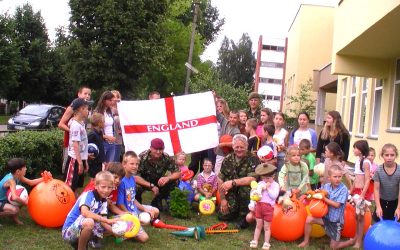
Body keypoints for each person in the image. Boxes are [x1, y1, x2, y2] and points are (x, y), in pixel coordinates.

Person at [298, 165, 355, 249]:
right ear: (329, 177)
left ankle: (351, 241)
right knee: (309, 219)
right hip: (325, 217)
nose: (337, 179)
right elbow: (321, 193)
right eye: (335, 177)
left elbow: (337, 205)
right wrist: (317, 192)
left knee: (333, 247)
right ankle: (306, 241)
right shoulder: (327, 186)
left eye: (340, 177)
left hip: (336, 222)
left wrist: (323, 198)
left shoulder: (343, 189)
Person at [62, 171, 119, 249]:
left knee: (110, 226)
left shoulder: (104, 201)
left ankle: (86, 241)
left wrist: (117, 231)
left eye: (109, 187)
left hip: (83, 226)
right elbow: (84, 212)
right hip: (68, 232)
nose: (106, 190)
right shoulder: (88, 195)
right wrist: (107, 221)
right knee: (90, 222)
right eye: (103, 187)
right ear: (96, 185)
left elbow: (103, 222)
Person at [217, 134, 261, 229]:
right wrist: (223, 199)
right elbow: (220, 178)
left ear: (246, 147)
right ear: (233, 147)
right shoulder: (228, 158)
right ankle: (234, 211)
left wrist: (232, 182)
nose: (239, 149)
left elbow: (252, 179)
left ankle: (244, 216)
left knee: (245, 189)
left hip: (247, 192)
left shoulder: (253, 159)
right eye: (236, 147)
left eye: (242, 147)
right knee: (222, 216)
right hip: (231, 192)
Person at [117, 151, 159, 243]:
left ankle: (134, 226)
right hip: (126, 212)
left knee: (155, 211)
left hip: (133, 209)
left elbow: (132, 199)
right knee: (144, 238)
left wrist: (144, 209)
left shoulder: (132, 178)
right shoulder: (121, 181)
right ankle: (125, 232)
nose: (135, 166)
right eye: (132, 164)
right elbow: (119, 203)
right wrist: (129, 214)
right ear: (124, 164)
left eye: (137, 164)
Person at [0, 158, 50, 225]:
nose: (26, 169)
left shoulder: (17, 175)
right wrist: (26, 203)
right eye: (24, 167)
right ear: (18, 171)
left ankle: (14, 217)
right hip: (0, 201)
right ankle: (12, 214)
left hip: (5, 199)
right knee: (15, 209)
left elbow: (31, 182)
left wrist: (44, 178)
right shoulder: (11, 180)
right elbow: (14, 197)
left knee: (22, 199)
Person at [136, 138, 181, 211]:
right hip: (144, 183)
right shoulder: (142, 157)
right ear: (150, 148)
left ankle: (158, 200)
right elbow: (135, 177)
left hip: (159, 182)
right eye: (156, 149)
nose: (158, 152)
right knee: (135, 185)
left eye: (161, 149)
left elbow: (178, 173)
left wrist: (167, 178)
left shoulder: (166, 157)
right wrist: (151, 186)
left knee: (175, 181)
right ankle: (137, 203)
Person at [58, 86, 92, 172]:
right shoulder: (73, 107)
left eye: (89, 94)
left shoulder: (85, 108)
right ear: (79, 94)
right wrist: (73, 132)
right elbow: (60, 124)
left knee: (77, 169)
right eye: (85, 93)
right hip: (71, 142)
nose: (87, 96)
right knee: (68, 166)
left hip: (79, 143)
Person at [249, 164, 279, 250]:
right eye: (264, 178)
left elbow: (274, 196)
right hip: (259, 206)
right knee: (258, 225)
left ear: (273, 176)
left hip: (268, 208)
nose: (266, 180)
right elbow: (253, 194)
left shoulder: (275, 185)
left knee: (266, 227)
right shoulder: (259, 184)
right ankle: (255, 240)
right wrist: (252, 204)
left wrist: (268, 188)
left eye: (268, 178)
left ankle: (266, 242)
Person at [64, 98, 89, 195]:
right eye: (87, 109)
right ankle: (65, 205)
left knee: (77, 184)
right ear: (81, 109)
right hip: (74, 159)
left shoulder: (81, 123)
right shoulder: (75, 125)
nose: (88, 111)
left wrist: (85, 160)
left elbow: (84, 144)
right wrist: (80, 162)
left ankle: (74, 202)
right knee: (69, 185)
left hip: (80, 158)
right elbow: (75, 145)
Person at [349, 140, 371, 248]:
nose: (354, 150)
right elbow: (356, 178)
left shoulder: (366, 162)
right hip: (356, 192)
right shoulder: (358, 161)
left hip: (362, 192)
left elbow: (367, 180)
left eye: (355, 148)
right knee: (356, 216)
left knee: (361, 217)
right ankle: (356, 236)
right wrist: (351, 190)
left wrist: (362, 194)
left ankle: (359, 241)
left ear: (361, 150)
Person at [373, 143, 400, 221]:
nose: (389, 157)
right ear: (382, 155)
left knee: (394, 226)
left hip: (396, 202)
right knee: (379, 224)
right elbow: (376, 189)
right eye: (386, 155)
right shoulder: (378, 170)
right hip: (382, 202)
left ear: (396, 155)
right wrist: (378, 206)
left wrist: (398, 208)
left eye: (392, 155)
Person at [214, 110, 240, 175]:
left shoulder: (237, 131)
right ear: (228, 117)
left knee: (227, 174)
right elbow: (216, 113)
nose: (232, 119)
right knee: (217, 172)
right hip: (220, 153)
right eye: (231, 117)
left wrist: (224, 144)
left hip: (230, 156)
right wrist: (214, 100)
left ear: (238, 119)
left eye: (234, 118)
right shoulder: (224, 122)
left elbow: (236, 144)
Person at [94, 91, 117, 164]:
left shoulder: (110, 111)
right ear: (104, 100)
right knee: (102, 165)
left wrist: (119, 101)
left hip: (111, 142)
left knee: (109, 165)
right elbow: (94, 131)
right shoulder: (97, 112)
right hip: (103, 142)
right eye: (110, 100)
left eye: (112, 100)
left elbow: (122, 111)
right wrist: (107, 137)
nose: (112, 102)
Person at [87, 113, 106, 181]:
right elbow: (85, 145)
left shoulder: (100, 132)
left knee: (99, 178)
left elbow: (101, 146)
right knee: (93, 178)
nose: (105, 123)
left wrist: (103, 159)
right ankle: (90, 189)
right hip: (94, 161)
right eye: (103, 121)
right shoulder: (92, 134)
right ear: (99, 123)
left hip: (100, 160)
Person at [111, 90, 123, 162]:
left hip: (118, 137)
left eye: (116, 97)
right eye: (112, 97)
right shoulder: (107, 109)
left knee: (116, 160)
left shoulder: (122, 109)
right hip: (108, 137)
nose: (114, 99)